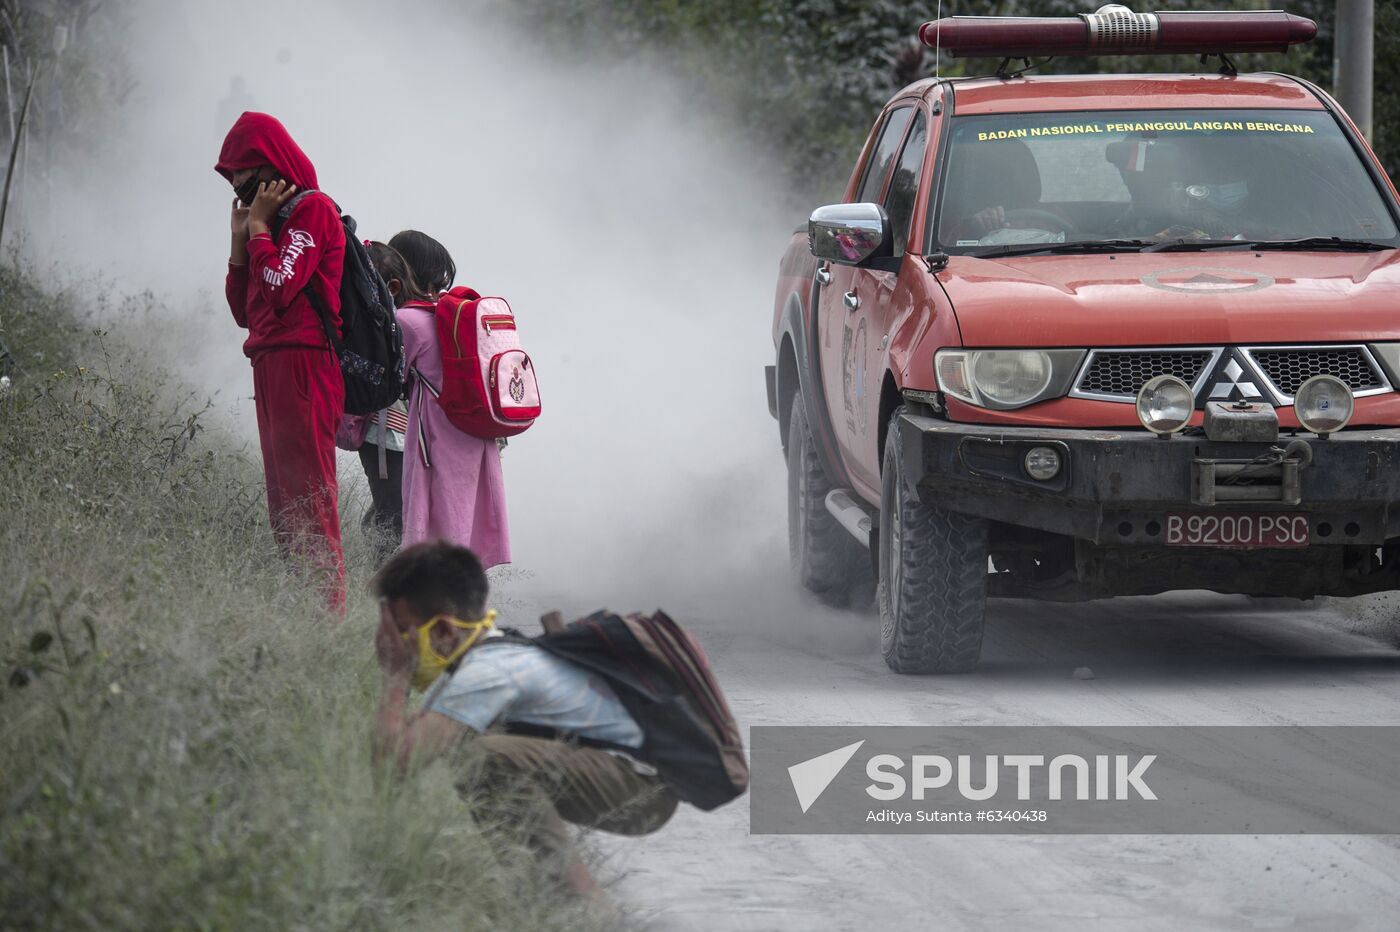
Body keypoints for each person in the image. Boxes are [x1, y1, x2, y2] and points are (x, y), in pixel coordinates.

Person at [371, 541, 677, 899]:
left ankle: (579, 908)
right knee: (471, 754)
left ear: (443, 631)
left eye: (401, 630)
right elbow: (390, 772)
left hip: (643, 788)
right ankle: (538, 895)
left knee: (481, 758)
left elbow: (396, 761)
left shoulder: (490, 671)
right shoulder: (474, 665)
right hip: (627, 776)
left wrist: (396, 676)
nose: (390, 643)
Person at [216, 112, 347, 613]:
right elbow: (242, 311)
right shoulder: (264, 224)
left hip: (305, 364)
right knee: (283, 498)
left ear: (269, 167)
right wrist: (241, 238)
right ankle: (304, 603)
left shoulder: (313, 211)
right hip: (269, 363)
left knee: (310, 490)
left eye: (243, 178)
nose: (239, 189)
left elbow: (280, 286)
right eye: (231, 183)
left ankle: (328, 611)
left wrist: (258, 230)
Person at [391, 231, 510, 567]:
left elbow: (391, 379)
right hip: (478, 431)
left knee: (437, 516)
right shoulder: (461, 315)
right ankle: (466, 597)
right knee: (468, 517)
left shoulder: (408, 321)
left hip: (439, 432)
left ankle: (432, 597)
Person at [356, 242, 423, 565]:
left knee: (390, 511)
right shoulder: (399, 322)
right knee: (392, 514)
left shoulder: (399, 320)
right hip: (384, 436)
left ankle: (373, 580)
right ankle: (375, 592)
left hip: (396, 436)